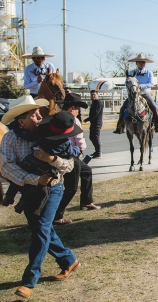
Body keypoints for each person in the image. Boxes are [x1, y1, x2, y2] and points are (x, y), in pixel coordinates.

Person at [0, 96, 79, 300]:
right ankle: (68, 259)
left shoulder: (51, 131)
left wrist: (51, 159)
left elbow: (69, 165)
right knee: (42, 229)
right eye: (34, 115)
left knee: (42, 228)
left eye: (38, 113)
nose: (39, 117)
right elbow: (7, 168)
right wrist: (35, 179)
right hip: (30, 191)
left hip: (53, 189)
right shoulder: (9, 139)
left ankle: (29, 280)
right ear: (21, 121)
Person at [54, 93, 101, 225]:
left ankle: (86, 201)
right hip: (71, 156)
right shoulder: (73, 121)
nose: (78, 111)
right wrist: (80, 150)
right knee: (71, 188)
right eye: (77, 108)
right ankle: (57, 215)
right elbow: (80, 142)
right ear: (71, 108)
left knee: (86, 171)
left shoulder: (57, 118)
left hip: (63, 154)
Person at [114, 53, 158, 134]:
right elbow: (127, 81)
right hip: (134, 95)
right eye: (139, 62)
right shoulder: (132, 72)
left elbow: (151, 83)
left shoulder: (149, 73)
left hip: (144, 94)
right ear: (136, 63)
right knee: (122, 108)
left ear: (145, 63)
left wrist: (140, 86)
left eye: (143, 62)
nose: (141, 64)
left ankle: (157, 125)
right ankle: (120, 126)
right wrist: (132, 87)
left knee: (154, 107)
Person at [84, 89, 103, 162]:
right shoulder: (93, 103)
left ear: (97, 95)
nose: (93, 96)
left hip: (97, 123)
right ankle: (96, 151)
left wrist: (88, 119)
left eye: (94, 94)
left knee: (95, 137)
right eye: (91, 95)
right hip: (93, 122)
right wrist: (87, 119)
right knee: (91, 137)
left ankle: (98, 153)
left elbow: (96, 113)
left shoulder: (98, 102)